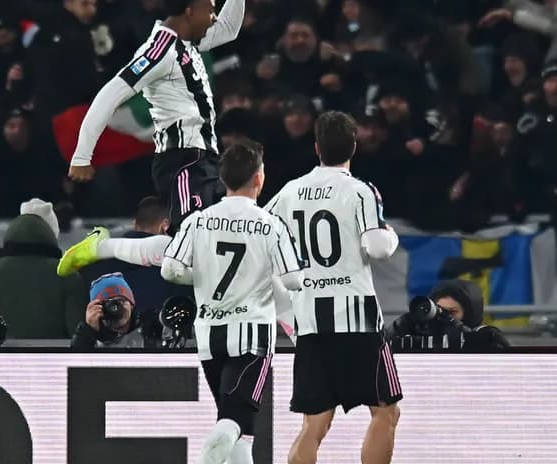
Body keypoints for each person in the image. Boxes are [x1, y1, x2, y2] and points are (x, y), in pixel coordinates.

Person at [264, 111, 401, 464]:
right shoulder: (360, 191)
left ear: (316, 148)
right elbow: (376, 247)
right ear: (354, 146)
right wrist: (391, 235)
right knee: (385, 412)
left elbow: (261, 241)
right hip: (357, 321)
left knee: (315, 423)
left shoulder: (289, 192)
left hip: (310, 322)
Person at [159, 140, 303, 464]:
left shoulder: (198, 220)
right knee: (232, 422)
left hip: (210, 335)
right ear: (259, 178)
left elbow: (170, 269)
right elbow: (293, 280)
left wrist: (203, 275)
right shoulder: (269, 224)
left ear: (223, 179)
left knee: (240, 430)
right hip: (251, 334)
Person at [66, 0, 245, 234]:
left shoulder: (189, 40)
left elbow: (229, 29)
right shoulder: (160, 51)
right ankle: (107, 250)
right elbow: (109, 95)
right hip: (182, 161)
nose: (214, 17)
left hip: (204, 159)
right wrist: (82, 156)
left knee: (207, 238)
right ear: (189, 12)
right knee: (190, 238)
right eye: (210, 10)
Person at [0, 199, 86, 339]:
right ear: (51, 234)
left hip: (0, 360)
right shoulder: (67, 275)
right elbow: (78, 336)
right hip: (53, 360)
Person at [383, 279, 511, 353]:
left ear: (470, 312)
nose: (442, 317)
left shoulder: (488, 335)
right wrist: (401, 325)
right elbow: (380, 352)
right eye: (439, 310)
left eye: (452, 312)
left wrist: (455, 327)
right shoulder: (422, 337)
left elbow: (498, 354)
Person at [70, 272, 143, 350]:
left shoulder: (146, 328)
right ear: (97, 308)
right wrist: (89, 330)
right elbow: (77, 359)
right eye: (108, 303)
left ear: (131, 305)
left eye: (121, 300)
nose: (115, 307)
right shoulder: (89, 334)